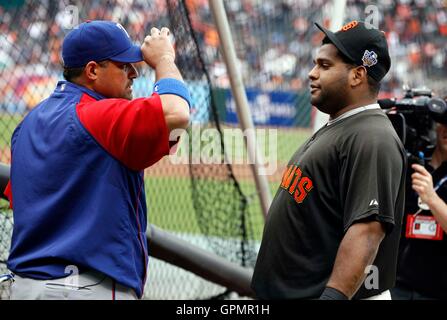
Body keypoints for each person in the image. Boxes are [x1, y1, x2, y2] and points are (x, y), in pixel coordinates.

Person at [2, 20, 190, 299]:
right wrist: (163, 59)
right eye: (124, 65)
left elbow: (25, 203)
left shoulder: (26, 126)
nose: (134, 74)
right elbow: (177, 113)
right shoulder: (97, 115)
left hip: (24, 288)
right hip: (84, 289)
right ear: (92, 70)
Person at [251, 21, 406, 300]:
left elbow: (367, 231)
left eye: (324, 66)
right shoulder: (345, 125)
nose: (311, 73)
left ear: (357, 75)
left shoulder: (371, 135)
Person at [391, 118, 447, 300]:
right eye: (444, 122)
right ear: (436, 125)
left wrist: (431, 198)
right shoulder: (411, 161)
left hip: (438, 288)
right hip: (397, 283)